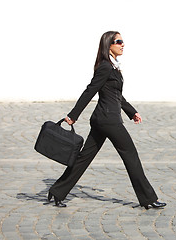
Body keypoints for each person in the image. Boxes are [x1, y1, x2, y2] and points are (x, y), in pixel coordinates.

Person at [47, 31, 166, 210]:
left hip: (101, 119)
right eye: (118, 41)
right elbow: (90, 91)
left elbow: (117, 95)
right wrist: (73, 115)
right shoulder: (105, 67)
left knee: (83, 158)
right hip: (109, 121)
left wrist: (131, 112)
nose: (122, 44)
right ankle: (148, 198)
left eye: (122, 41)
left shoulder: (113, 66)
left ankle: (57, 191)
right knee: (131, 156)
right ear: (108, 45)